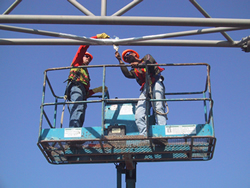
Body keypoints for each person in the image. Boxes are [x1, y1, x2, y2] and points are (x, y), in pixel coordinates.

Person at [115, 49, 167, 136]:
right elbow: (127, 74)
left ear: (134, 54)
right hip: (146, 87)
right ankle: (144, 136)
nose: (126, 57)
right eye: (125, 58)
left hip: (156, 82)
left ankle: (162, 134)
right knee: (139, 115)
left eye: (127, 54)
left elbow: (149, 62)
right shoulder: (135, 71)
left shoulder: (147, 57)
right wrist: (120, 60)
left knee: (158, 107)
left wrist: (139, 64)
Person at [65, 33, 109, 128]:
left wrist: (96, 90)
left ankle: (77, 131)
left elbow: (85, 93)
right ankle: (74, 130)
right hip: (75, 87)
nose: (88, 58)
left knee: (81, 111)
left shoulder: (86, 74)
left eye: (89, 58)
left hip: (81, 92)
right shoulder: (77, 63)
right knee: (78, 108)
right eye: (86, 56)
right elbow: (83, 46)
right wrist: (96, 37)